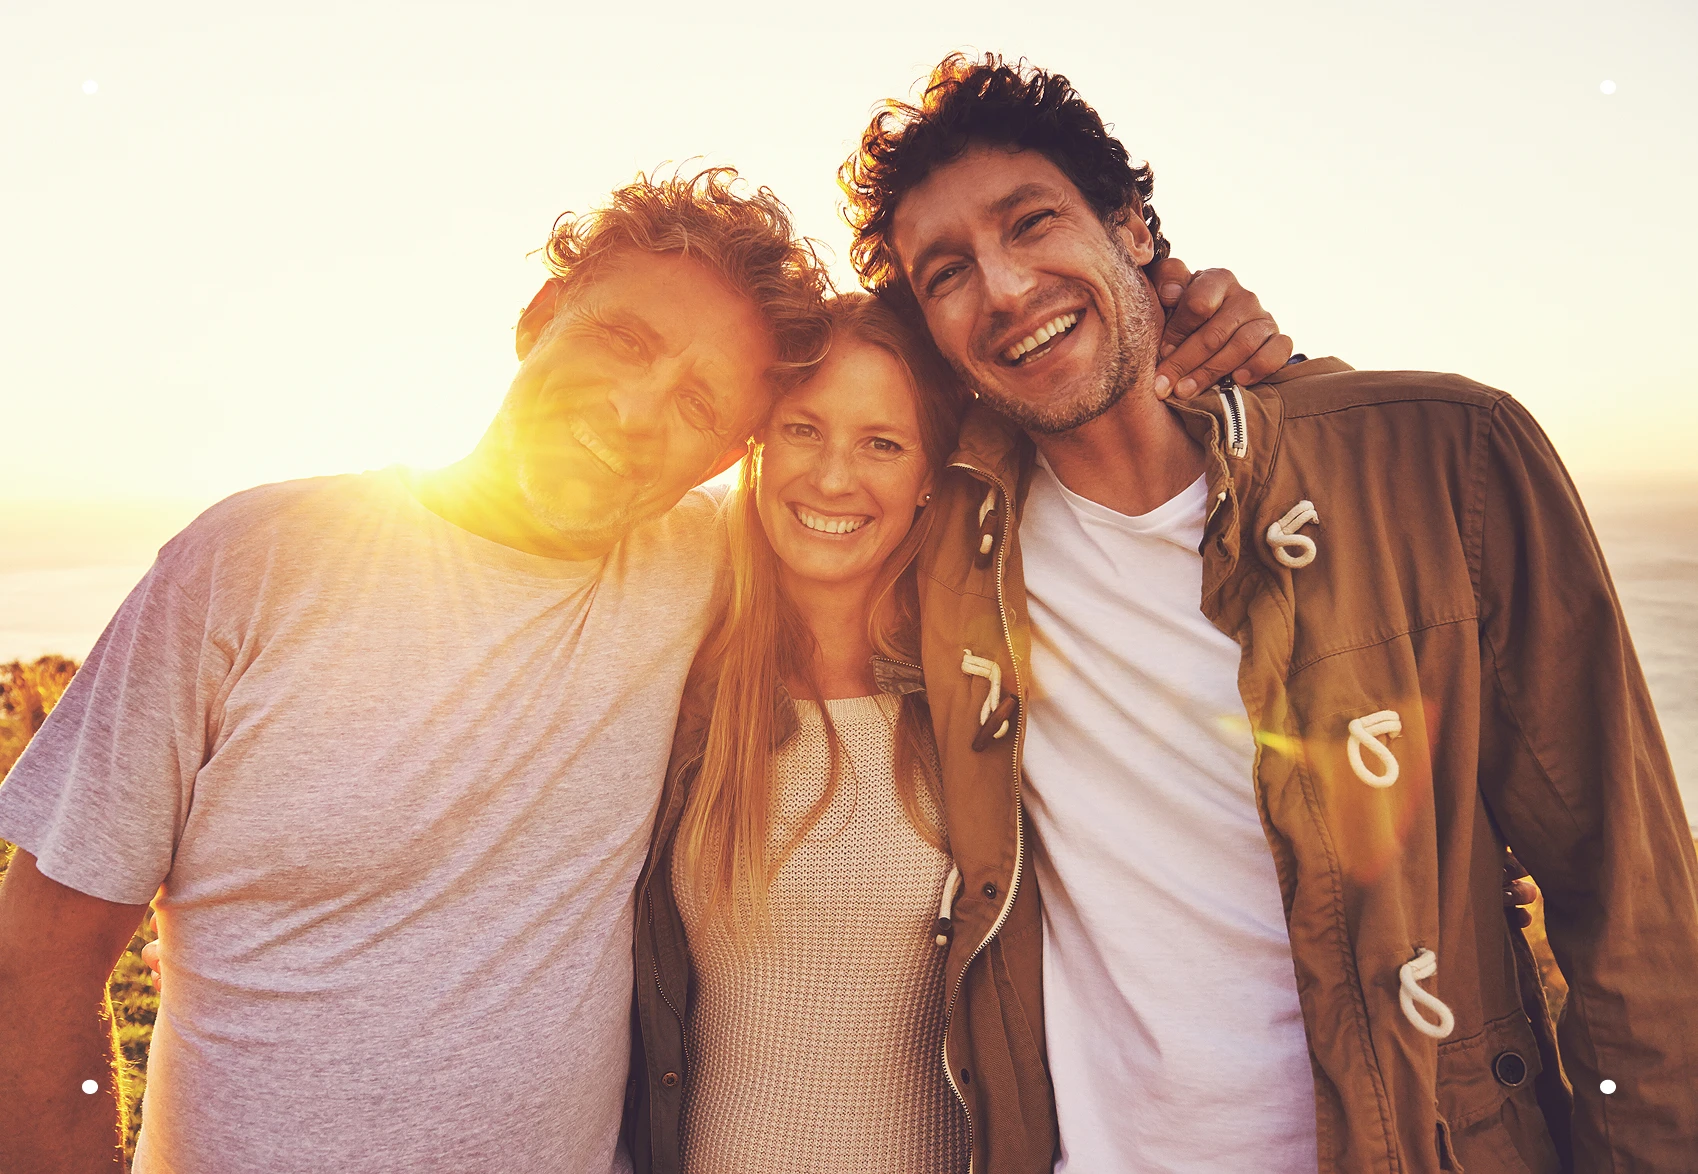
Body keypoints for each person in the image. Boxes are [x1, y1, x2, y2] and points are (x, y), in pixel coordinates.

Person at [0, 164, 1279, 1171]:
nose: (635, 417)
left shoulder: (694, 569)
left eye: (697, 409)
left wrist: (1184, 323)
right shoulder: (255, 559)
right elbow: (42, 957)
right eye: (620, 344)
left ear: (726, 457)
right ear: (539, 315)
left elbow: (957, 450)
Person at [840, 52, 1698, 1174]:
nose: (1002, 288)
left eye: (1032, 224)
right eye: (947, 272)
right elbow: (811, 399)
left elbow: (1627, 904)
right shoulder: (949, 538)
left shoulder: (1448, 463)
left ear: (1134, 228)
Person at [628, 292, 969, 1173]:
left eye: (882, 443)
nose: (831, 478)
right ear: (756, 443)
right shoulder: (688, 672)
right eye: (803, 429)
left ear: (932, 471)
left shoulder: (983, 696)